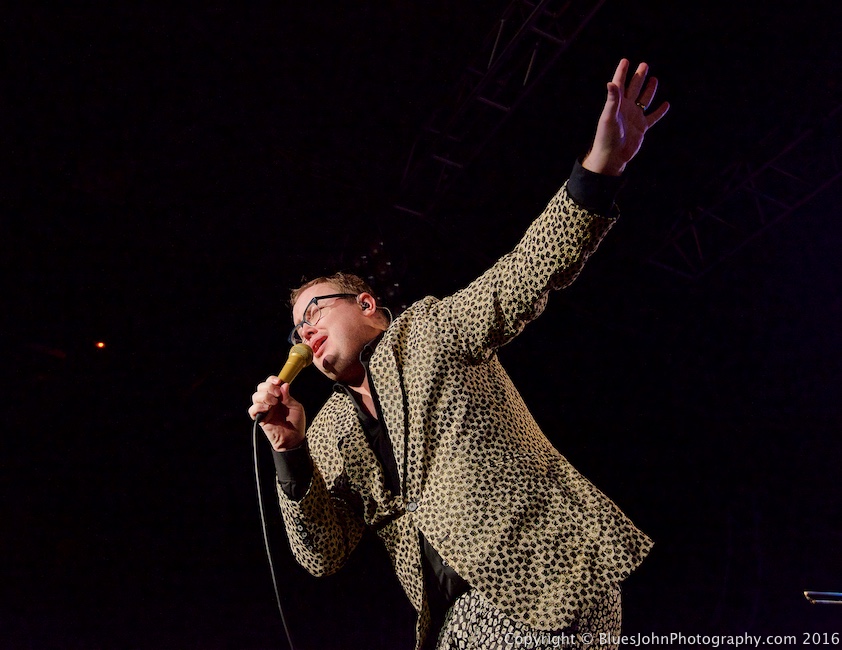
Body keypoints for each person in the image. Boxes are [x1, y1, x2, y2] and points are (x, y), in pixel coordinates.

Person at [249, 59, 669, 650]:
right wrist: (290, 450)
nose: (305, 330)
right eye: (296, 327)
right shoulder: (330, 431)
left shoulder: (428, 331)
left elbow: (523, 275)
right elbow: (322, 553)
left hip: (542, 574)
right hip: (451, 624)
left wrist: (601, 167)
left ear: (367, 304)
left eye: (315, 310)